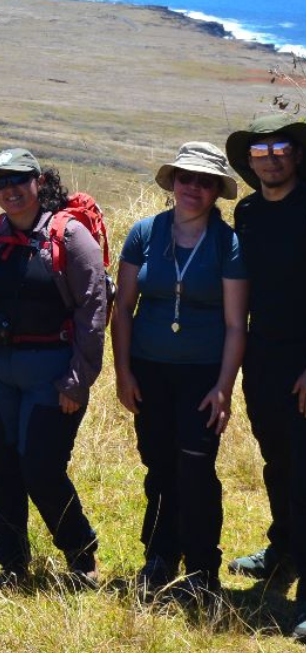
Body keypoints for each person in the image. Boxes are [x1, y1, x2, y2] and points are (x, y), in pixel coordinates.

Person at [0, 149, 105, 587]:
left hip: (52, 378)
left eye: (18, 180)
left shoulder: (70, 238)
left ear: (38, 181)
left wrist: (78, 380)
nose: (9, 190)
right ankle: (12, 564)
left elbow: (93, 310)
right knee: (1, 467)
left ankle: (81, 553)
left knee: (41, 468)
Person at [111, 142, 247, 604]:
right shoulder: (145, 233)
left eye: (205, 181)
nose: (194, 188)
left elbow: (235, 324)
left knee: (195, 467)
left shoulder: (227, 244)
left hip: (202, 376)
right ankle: (159, 557)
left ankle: (204, 568)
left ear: (215, 192)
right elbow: (123, 309)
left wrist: (224, 389)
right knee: (159, 464)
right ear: (173, 183)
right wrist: (123, 372)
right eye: (187, 178)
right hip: (149, 370)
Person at [224, 114, 306, 638]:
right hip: (264, 354)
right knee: (277, 457)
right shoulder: (247, 213)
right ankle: (286, 552)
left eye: (280, 146)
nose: (271, 156)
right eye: (260, 150)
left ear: (297, 154)